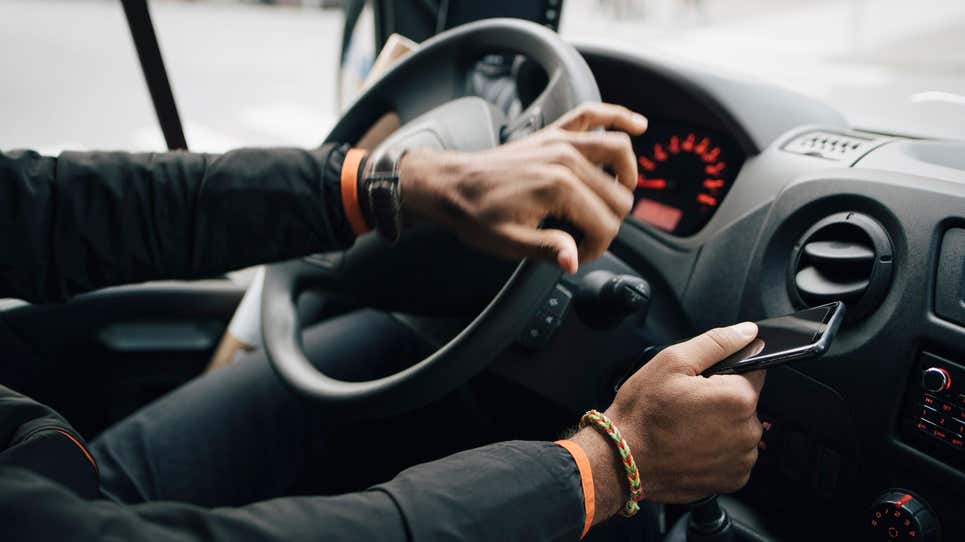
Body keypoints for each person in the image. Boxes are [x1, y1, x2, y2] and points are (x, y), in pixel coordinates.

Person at [0, 103, 764, 541]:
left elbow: (41, 208)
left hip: (48, 468)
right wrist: (610, 465)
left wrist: (395, 184)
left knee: (364, 354)